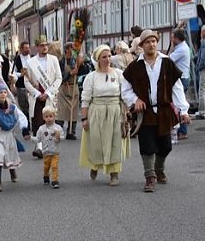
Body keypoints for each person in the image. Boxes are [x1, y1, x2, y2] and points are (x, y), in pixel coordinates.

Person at [122, 29, 191, 193]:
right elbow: (125, 89)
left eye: (153, 41)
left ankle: (159, 168)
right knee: (147, 145)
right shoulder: (135, 66)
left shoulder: (167, 63)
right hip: (144, 112)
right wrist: (135, 100)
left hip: (163, 111)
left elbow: (177, 88)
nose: (151, 45)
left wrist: (183, 110)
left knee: (166, 145)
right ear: (142, 45)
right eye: (148, 42)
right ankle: (150, 176)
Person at [80, 44, 129, 186]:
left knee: (115, 141)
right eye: (104, 57)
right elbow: (86, 98)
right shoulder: (91, 77)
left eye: (109, 56)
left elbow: (124, 95)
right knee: (97, 142)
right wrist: (84, 118)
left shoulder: (119, 74)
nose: (107, 59)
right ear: (98, 59)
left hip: (115, 110)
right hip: (97, 111)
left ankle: (114, 174)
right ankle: (95, 165)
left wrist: (127, 113)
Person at [24, 35, 62, 159]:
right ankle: (39, 148)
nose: (45, 47)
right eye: (42, 45)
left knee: (49, 121)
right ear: (37, 47)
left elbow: (58, 78)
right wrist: (37, 93)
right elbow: (26, 81)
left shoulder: (53, 60)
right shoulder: (30, 62)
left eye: (46, 45)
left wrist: (49, 93)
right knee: (37, 122)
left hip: (49, 95)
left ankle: (50, 147)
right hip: (36, 96)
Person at [0, 82, 29, 192]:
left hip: (9, 135)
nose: (3, 94)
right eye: (0, 92)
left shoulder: (12, 108)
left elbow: (21, 117)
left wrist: (24, 129)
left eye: (5, 92)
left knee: (11, 154)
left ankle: (12, 171)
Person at [170, 28, 192, 140]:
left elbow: (168, 60)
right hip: (182, 78)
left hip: (181, 79)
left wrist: (171, 48)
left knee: (179, 102)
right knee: (178, 102)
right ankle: (180, 129)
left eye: (173, 37)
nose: (171, 39)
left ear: (177, 38)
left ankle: (182, 131)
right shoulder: (182, 47)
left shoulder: (181, 49)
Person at [35, 107, 63, 188]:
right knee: (46, 166)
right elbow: (38, 139)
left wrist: (58, 137)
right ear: (43, 118)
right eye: (46, 117)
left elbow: (62, 137)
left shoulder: (58, 128)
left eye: (51, 116)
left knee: (54, 166)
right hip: (46, 152)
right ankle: (46, 175)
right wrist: (30, 137)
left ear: (54, 117)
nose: (49, 119)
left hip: (55, 151)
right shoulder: (41, 129)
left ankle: (55, 180)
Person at [58, 42, 81, 140]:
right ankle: (58, 130)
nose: (73, 50)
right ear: (67, 49)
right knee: (62, 110)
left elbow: (84, 71)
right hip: (64, 88)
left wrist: (80, 64)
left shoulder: (76, 60)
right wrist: (70, 73)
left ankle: (71, 131)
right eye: (72, 48)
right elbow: (60, 76)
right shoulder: (61, 61)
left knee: (74, 110)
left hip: (73, 87)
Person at [12, 41, 32, 114]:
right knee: (23, 107)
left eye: (28, 47)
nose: (28, 49)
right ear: (21, 49)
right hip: (21, 86)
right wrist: (20, 74)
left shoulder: (32, 57)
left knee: (32, 106)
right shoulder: (17, 59)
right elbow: (13, 72)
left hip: (31, 85)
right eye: (26, 48)